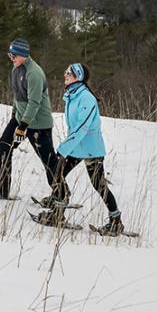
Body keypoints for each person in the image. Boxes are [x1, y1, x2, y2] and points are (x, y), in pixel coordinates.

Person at [33, 62, 126, 235]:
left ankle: (116, 221)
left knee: (99, 184)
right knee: (55, 174)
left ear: (78, 77)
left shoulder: (86, 99)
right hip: (77, 148)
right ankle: (58, 214)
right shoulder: (72, 95)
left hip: (91, 149)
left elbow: (82, 128)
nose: (65, 74)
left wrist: (62, 149)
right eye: (66, 71)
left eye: (69, 72)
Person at [0, 38, 58, 199]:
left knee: (49, 161)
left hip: (38, 124)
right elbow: (17, 96)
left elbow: (34, 103)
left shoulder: (35, 73)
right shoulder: (16, 70)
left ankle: (60, 195)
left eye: (14, 55)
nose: (11, 59)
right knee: (4, 146)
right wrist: (14, 116)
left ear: (24, 55)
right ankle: (0, 188)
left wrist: (23, 126)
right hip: (20, 119)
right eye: (10, 55)